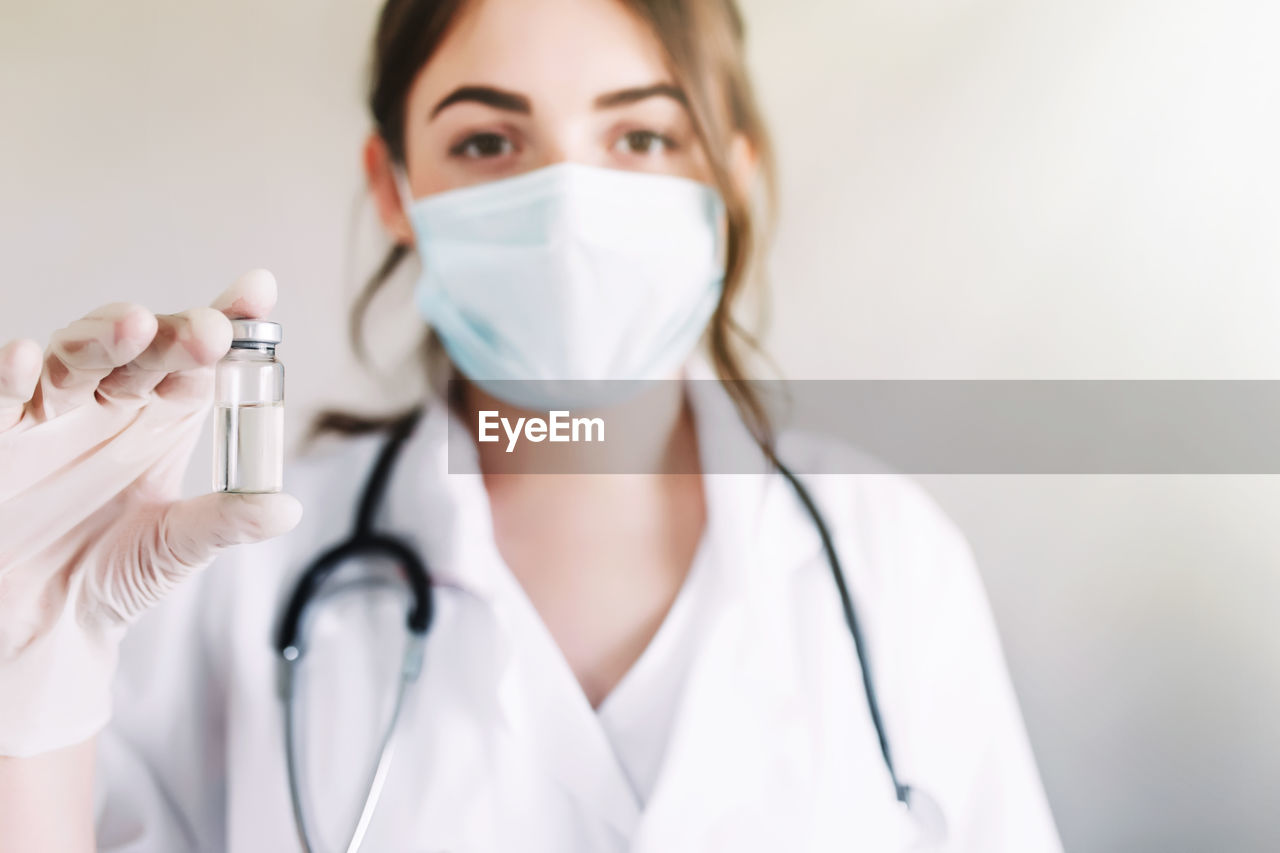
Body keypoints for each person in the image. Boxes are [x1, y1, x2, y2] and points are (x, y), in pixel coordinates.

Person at [0, 0, 1062, 849]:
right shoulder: (243, 573)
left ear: (729, 180)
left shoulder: (888, 562)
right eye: (489, 141)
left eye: (640, 134)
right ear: (394, 189)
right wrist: (29, 676)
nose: (567, 213)